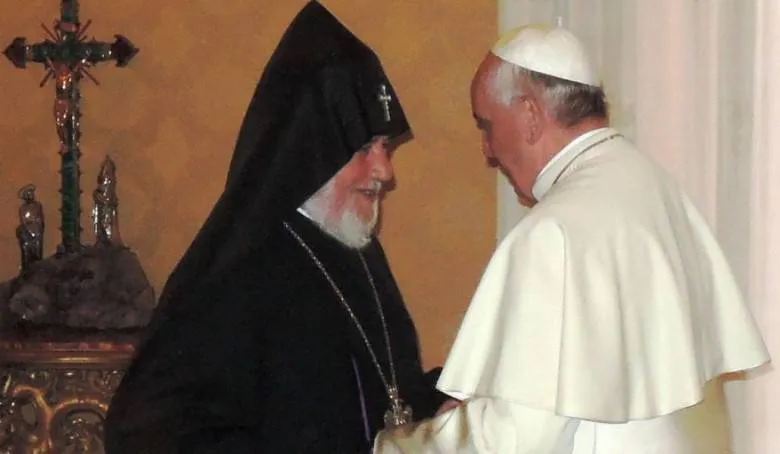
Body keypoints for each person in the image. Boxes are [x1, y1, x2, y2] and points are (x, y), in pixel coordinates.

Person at [373, 24, 771, 453]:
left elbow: (515, 439)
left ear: (530, 115)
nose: (488, 149)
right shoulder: (658, 191)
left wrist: (397, 445)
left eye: (487, 126)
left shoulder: (554, 233)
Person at [103, 2, 446, 452]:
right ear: (313, 149)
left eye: (384, 146)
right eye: (365, 149)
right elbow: (152, 430)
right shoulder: (240, 272)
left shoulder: (356, 250)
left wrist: (443, 400)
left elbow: (385, 397)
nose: (385, 170)